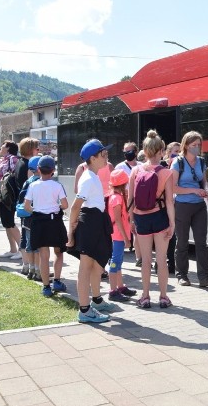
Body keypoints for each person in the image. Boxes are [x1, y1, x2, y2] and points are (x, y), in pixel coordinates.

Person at [67, 141, 117, 323]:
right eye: (103, 154)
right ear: (93, 158)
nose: (106, 157)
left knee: (98, 264)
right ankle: (84, 310)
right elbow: (75, 207)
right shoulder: (88, 178)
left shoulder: (93, 176)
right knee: (85, 268)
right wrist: (70, 233)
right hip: (89, 223)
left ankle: (96, 300)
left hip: (96, 221)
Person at [127, 130, 175, 308]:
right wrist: (172, 223)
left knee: (145, 260)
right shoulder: (166, 173)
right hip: (160, 216)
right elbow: (169, 201)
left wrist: (131, 220)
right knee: (161, 259)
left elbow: (130, 199)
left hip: (141, 218)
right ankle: (163, 297)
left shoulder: (135, 171)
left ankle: (145, 296)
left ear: (145, 151)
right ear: (161, 151)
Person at [172, 131, 208, 287]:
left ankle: (204, 277)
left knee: (201, 242)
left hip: (199, 206)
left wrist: (206, 189)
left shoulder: (201, 161)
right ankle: (182, 275)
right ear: (186, 145)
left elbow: (204, 181)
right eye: (193, 145)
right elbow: (173, 188)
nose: (196, 148)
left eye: (199, 145)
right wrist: (194, 190)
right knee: (182, 242)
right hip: (182, 205)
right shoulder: (178, 162)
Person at [23, 156, 69, 297]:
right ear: (53, 170)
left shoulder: (33, 185)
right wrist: (56, 206)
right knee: (58, 252)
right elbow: (65, 205)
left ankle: (46, 287)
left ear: (38, 170)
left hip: (39, 221)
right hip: (54, 221)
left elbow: (26, 206)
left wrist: (37, 209)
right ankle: (56, 280)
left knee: (43, 256)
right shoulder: (57, 186)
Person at [106, 169, 138, 302]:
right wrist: (126, 237)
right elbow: (118, 219)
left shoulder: (117, 196)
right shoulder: (116, 198)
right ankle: (113, 291)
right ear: (123, 183)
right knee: (115, 262)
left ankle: (120, 287)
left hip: (118, 234)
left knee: (118, 261)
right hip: (118, 235)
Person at [0, 140, 22, 259]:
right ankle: (13, 249)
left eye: (3, 146)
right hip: (1, 195)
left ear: (9, 149)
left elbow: (17, 176)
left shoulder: (13, 159)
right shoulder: (2, 161)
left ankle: (22, 249)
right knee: (6, 223)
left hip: (8, 195)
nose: (0, 148)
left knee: (10, 222)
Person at [18, 155, 41, 279]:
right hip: (36, 218)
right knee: (37, 247)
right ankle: (38, 271)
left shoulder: (28, 181)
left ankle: (31, 269)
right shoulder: (39, 183)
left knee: (29, 245)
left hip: (26, 217)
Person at [164, 141, 182, 272]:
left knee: (173, 235)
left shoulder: (181, 166)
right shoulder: (162, 166)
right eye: (175, 151)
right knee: (163, 234)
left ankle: (171, 263)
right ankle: (161, 262)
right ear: (168, 153)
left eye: (179, 151)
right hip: (163, 204)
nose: (177, 154)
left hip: (176, 203)